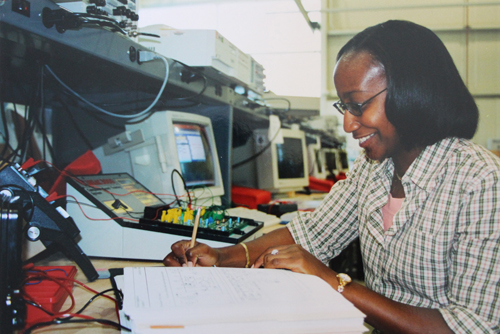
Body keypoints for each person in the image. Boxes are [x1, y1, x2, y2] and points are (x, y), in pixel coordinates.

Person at [163, 20, 500, 333]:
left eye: (357, 105)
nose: (348, 125)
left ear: (412, 91)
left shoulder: (480, 181)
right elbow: (311, 235)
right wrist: (223, 258)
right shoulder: (373, 170)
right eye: (344, 107)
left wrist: (335, 283)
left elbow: (470, 326)